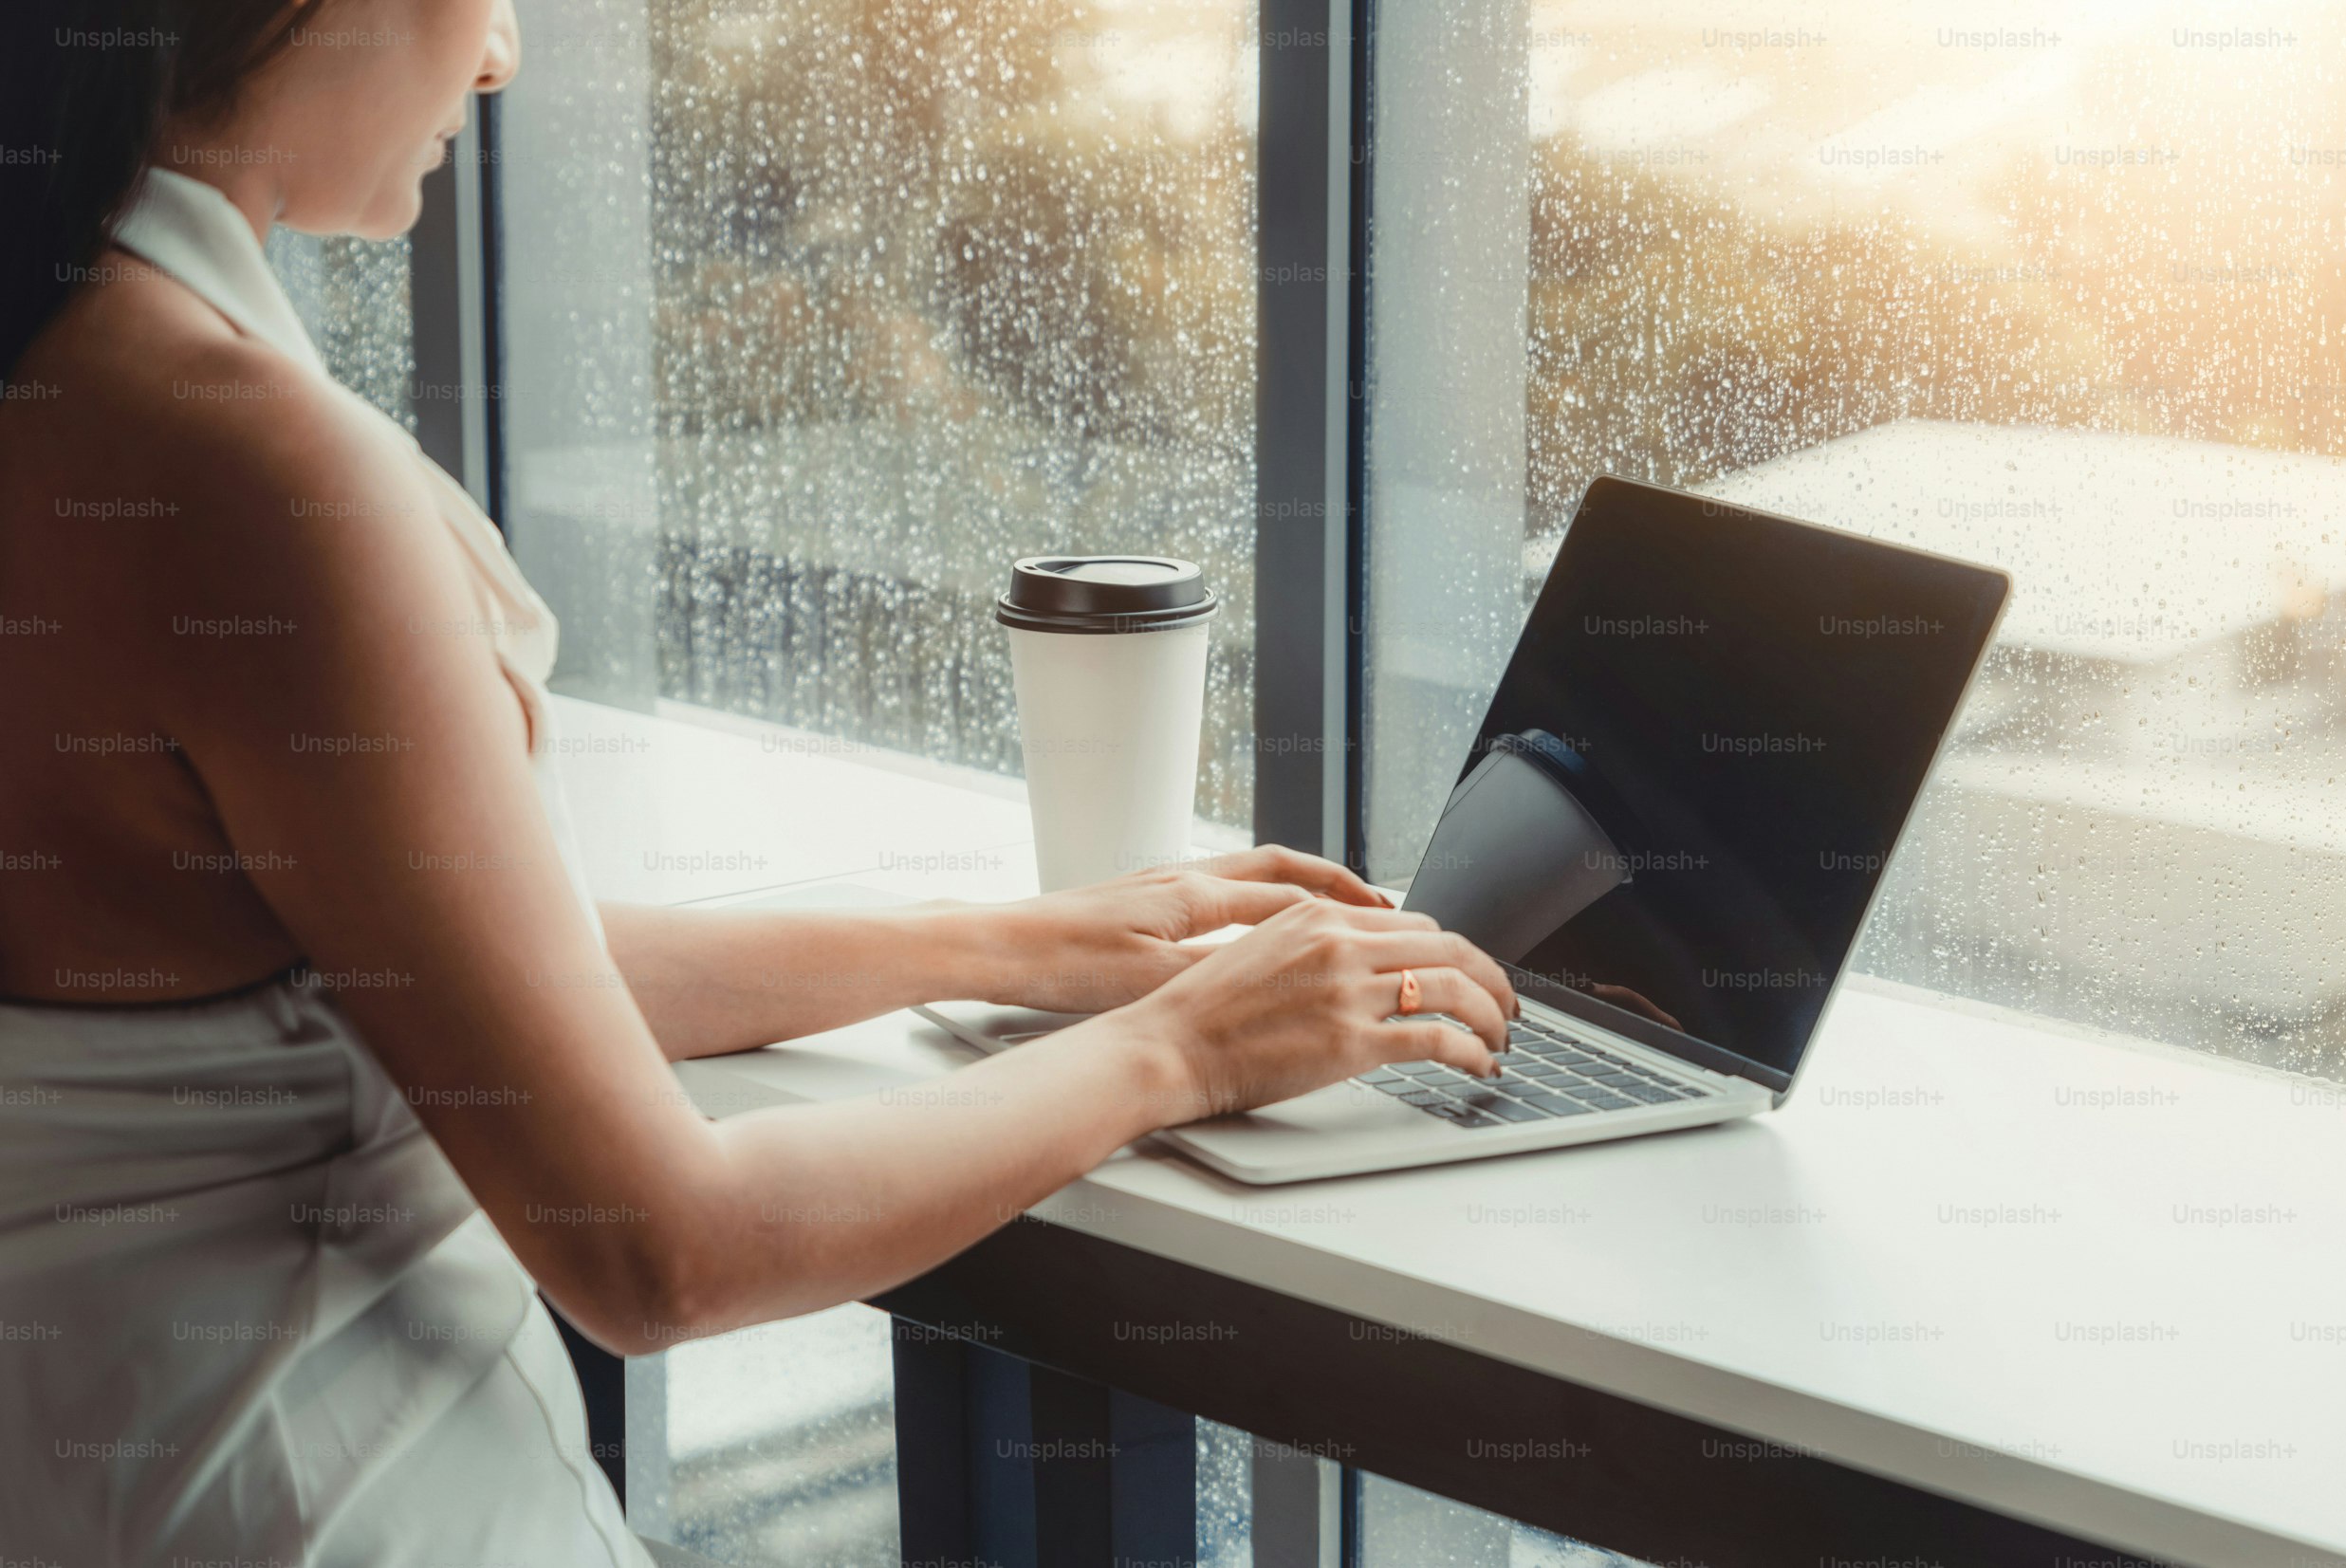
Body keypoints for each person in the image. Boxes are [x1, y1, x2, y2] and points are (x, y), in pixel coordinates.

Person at [0, 1, 1514, 1559]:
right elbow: (660, 1246)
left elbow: (407, 965)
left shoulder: (62, 369)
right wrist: (1186, 1047)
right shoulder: (254, 473)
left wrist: (998, 943)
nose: (503, 53)